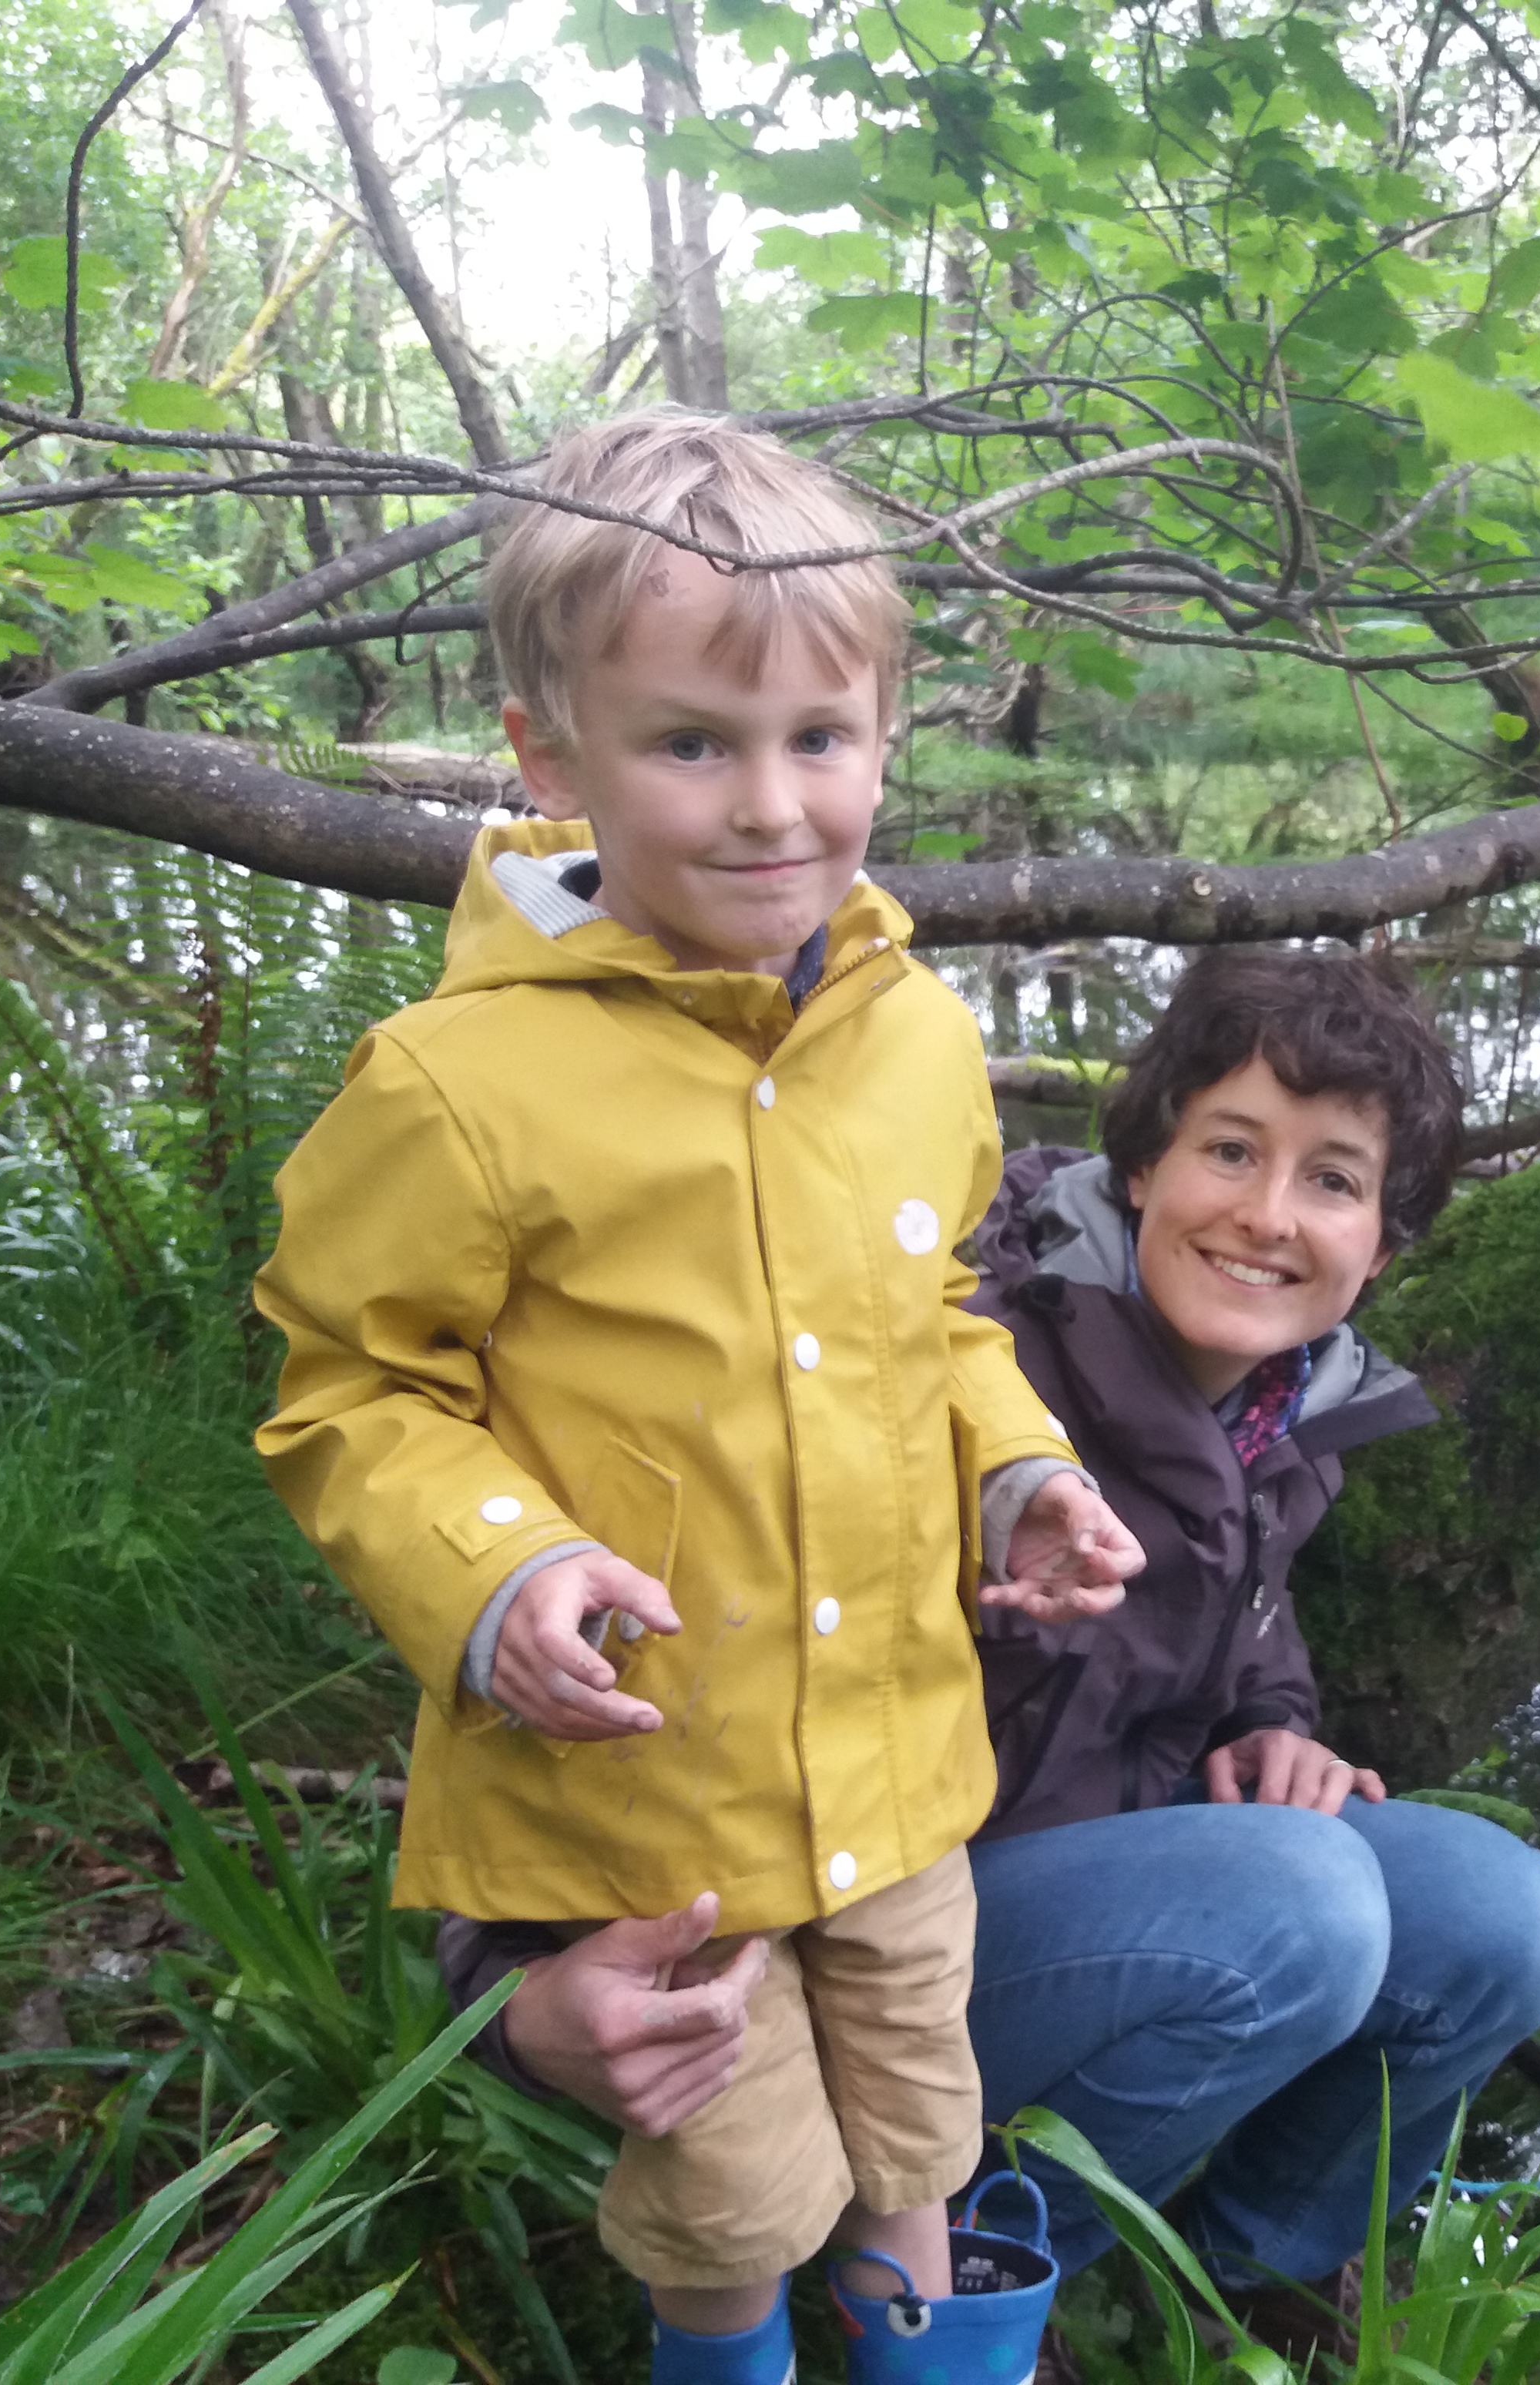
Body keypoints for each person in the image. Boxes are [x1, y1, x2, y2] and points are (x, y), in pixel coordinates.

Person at [253, 409, 1142, 2385]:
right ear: (550, 757)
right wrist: (501, 1568)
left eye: (819, 739)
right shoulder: (458, 1083)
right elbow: (351, 1388)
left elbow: (938, 1313)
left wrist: (1021, 1479)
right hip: (647, 1805)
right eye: (689, 745)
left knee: (924, 2134)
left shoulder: (912, 1033)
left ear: (889, 733)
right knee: (733, 2204)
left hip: (899, 1769)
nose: (768, 807)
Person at [448, 948, 1540, 2363]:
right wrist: (508, 1999)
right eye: (1230, 1148)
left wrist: (1273, 1724)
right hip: (867, 1962)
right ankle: (942, 2274)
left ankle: (1230, 2288)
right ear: (1144, 1165)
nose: (1267, 1215)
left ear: (1384, 1246)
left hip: (1090, 1900)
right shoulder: (970, 1373)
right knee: (1308, 1910)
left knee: (1497, 1916)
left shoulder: (1287, 1419)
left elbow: (1243, 1639)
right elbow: (648, 1685)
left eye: (1334, 1180)